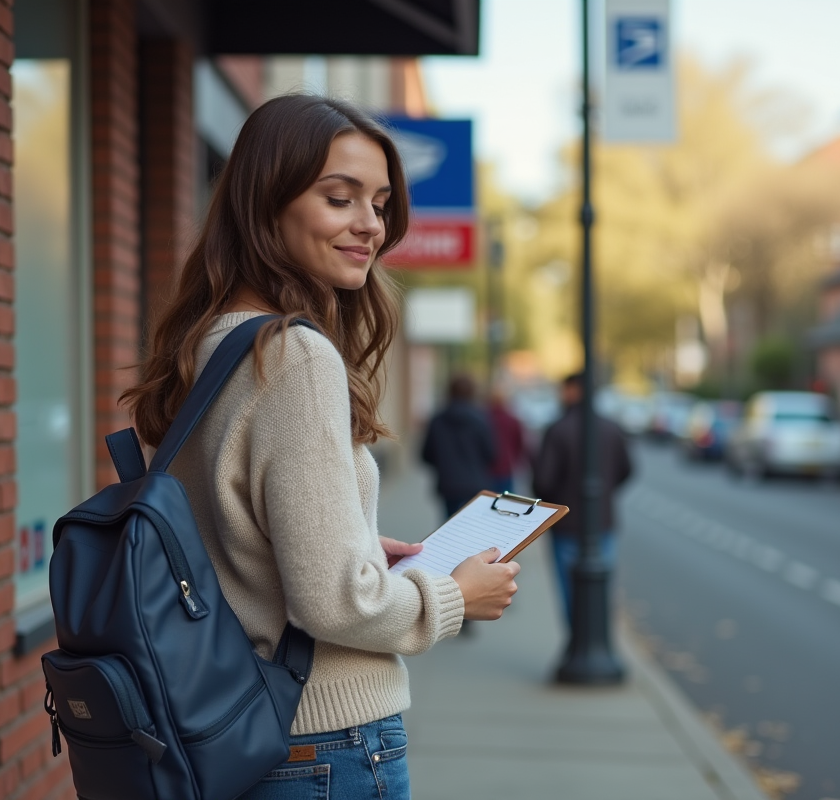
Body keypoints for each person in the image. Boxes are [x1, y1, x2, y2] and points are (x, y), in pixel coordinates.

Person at [120, 94, 520, 800]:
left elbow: (228, 537)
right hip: (322, 742)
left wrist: (358, 540)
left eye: (380, 202)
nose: (369, 224)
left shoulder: (208, 342)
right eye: (340, 198)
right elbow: (336, 606)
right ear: (266, 202)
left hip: (233, 727)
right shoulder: (295, 357)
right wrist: (453, 597)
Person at [532, 372, 633, 623]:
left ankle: (575, 644)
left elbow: (543, 481)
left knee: (570, 591)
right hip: (602, 521)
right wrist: (604, 491)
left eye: (564, 389)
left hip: (566, 523)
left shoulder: (558, 429)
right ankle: (598, 640)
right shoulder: (611, 428)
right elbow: (627, 470)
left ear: (573, 391)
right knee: (599, 591)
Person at [421, 374, 495, 518]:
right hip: (475, 484)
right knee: (474, 527)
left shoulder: (437, 420)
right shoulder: (481, 419)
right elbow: (491, 453)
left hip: (449, 484)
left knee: (449, 527)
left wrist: (444, 463)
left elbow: (426, 454)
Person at [487, 389, 527, 494]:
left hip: (487, 469)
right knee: (505, 503)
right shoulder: (512, 420)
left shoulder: (484, 418)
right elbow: (520, 444)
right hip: (505, 468)